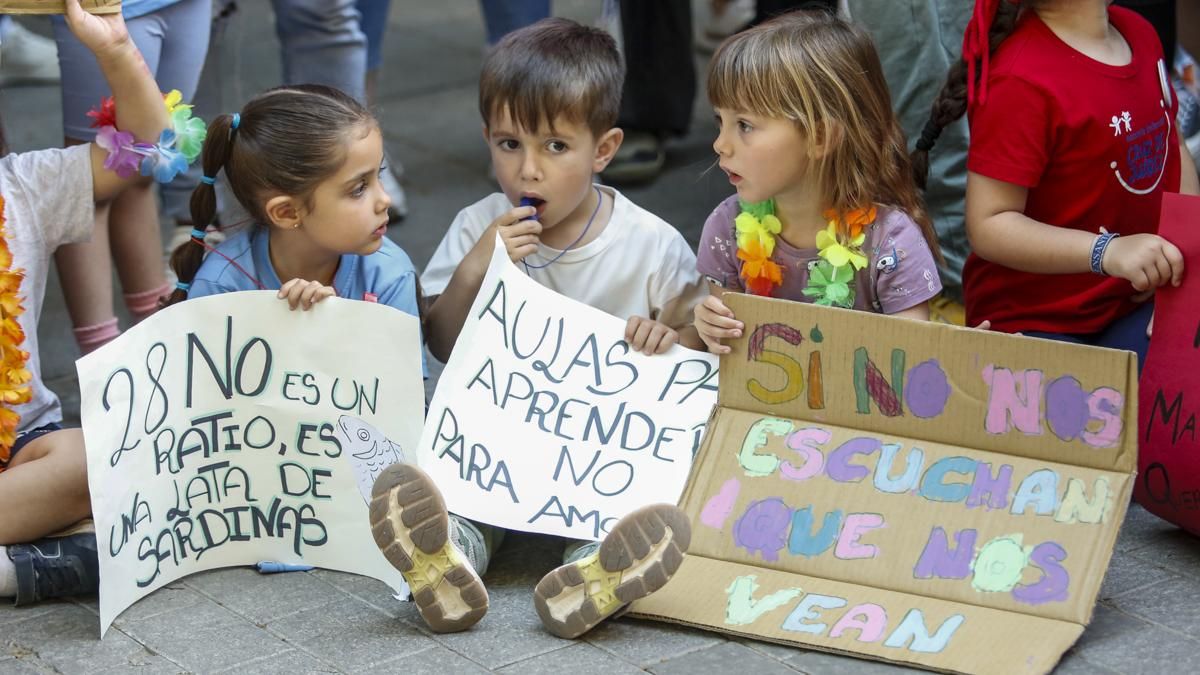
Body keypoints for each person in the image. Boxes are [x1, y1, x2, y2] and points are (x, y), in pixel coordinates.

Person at [374, 18, 704, 638]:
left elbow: (694, 351)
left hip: (599, 459)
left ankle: (591, 577)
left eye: (555, 147)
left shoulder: (650, 244)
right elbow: (442, 341)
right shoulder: (479, 227)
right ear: (485, 139)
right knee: (460, 497)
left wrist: (669, 338)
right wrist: (481, 264)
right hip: (500, 446)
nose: (528, 171)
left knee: (614, 513)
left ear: (603, 149)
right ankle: (446, 563)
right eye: (508, 144)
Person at [913, 0, 1200, 369]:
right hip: (1040, 323)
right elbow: (990, 223)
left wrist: (1182, 275)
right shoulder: (1020, 77)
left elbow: (1172, 142)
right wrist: (1107, 252)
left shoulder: (1140, 33)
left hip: (1131, 303)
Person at [0, 0, 169, 605]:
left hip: (21, 452)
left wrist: (116, 49)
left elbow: (145, 150)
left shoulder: (22, 186)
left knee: (101, 455)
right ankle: (38, 563)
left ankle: (22, 565)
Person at [692, 10, 944, 355]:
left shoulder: (890, 245)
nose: (720, 144)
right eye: (720, 121)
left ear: (821, 136)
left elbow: (910, 361)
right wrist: (709, 327)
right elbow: (729, 354)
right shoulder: (728, 229)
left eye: (745, 125)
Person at [164, 84, 423, 350]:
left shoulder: (390, 274)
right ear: (286, 213)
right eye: (358, 189)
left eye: (378, 174)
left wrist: (339, 327)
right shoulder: (222, 287)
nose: (385, 200)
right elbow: (207, 387)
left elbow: (403, 387)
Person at [51, 0, 211, 355]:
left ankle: (154, 339)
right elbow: (81, 188)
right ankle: (101, 358)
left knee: (144, 166)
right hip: (103, 8)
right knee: (91, 183)